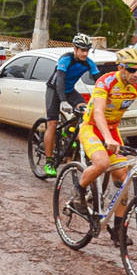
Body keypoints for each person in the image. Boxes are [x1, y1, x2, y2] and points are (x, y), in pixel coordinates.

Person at [72, 47, 137, 246]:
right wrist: (106, 139)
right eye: (131, 69)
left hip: (112, 131)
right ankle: (79, 192)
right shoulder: (106, 82)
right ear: (120, 67)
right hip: (93, 128)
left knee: (124, 178)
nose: (136, 74)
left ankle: (118, 229)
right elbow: (98, 113)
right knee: (102, 163)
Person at [41, 33, 101, 177]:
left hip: (70, 91)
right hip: (55, 90)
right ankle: (49, 161)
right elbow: (60, 81)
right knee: (52, 124)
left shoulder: (89, 62)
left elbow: (99, 82)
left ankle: (69, 133)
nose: (85, 53)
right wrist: (63, 101)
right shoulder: (65, 59)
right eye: (82, 50)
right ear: (75, 49)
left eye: (87, 50)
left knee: (85, 111)